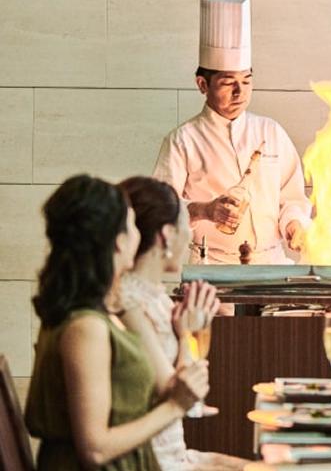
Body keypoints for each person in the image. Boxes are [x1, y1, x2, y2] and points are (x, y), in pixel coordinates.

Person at [25, 174, 208, 470]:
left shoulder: (94, 315)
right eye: (133, 224)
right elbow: (95, 449)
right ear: (118, 241)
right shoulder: (87, 327)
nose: (140, 235)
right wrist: (175, 405)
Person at [154, 0, 311, 265]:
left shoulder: (271, 132)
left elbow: (292, 196)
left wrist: (294, 226)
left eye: (246, 81)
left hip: (270, 265)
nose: (240, 92)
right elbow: (158, 210)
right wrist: (205, 210)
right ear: (203, 84)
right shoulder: (183, 140)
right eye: (228, 83)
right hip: (212, 268)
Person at [113, 176, 249, 470]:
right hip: (156, 459)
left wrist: (192, 329)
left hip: (176, 450)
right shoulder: (129, 301)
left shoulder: (157, 296)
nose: (191, 236)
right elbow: (178, 392)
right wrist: (189, 333)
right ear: (166, 235)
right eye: (187, 226)